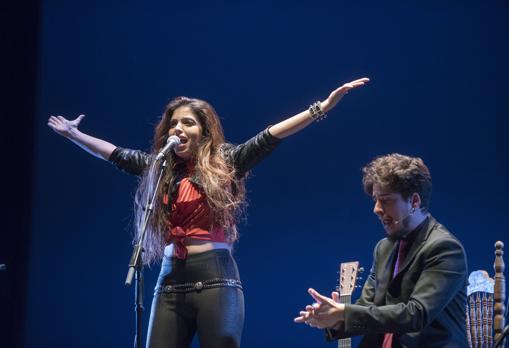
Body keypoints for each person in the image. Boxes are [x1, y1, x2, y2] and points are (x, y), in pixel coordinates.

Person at [47, 77, 369, 348]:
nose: (178, 129)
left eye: (187, 122)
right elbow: (115, 154)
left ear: (204, 131)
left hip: (216, 280)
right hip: (170, 281)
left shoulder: (227, 161)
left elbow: (271, 135)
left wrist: (322, 107)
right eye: (173, 123)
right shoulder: (159, 168)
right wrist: (74, 134)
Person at [294, 153, 468, 348]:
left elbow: (415, 314)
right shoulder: (383, 248)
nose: (376, 209)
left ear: (414, 201)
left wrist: (344, 311)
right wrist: (333, 319)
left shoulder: (444, 248)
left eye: (385, 200)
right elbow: (367, 307)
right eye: (375, 200)